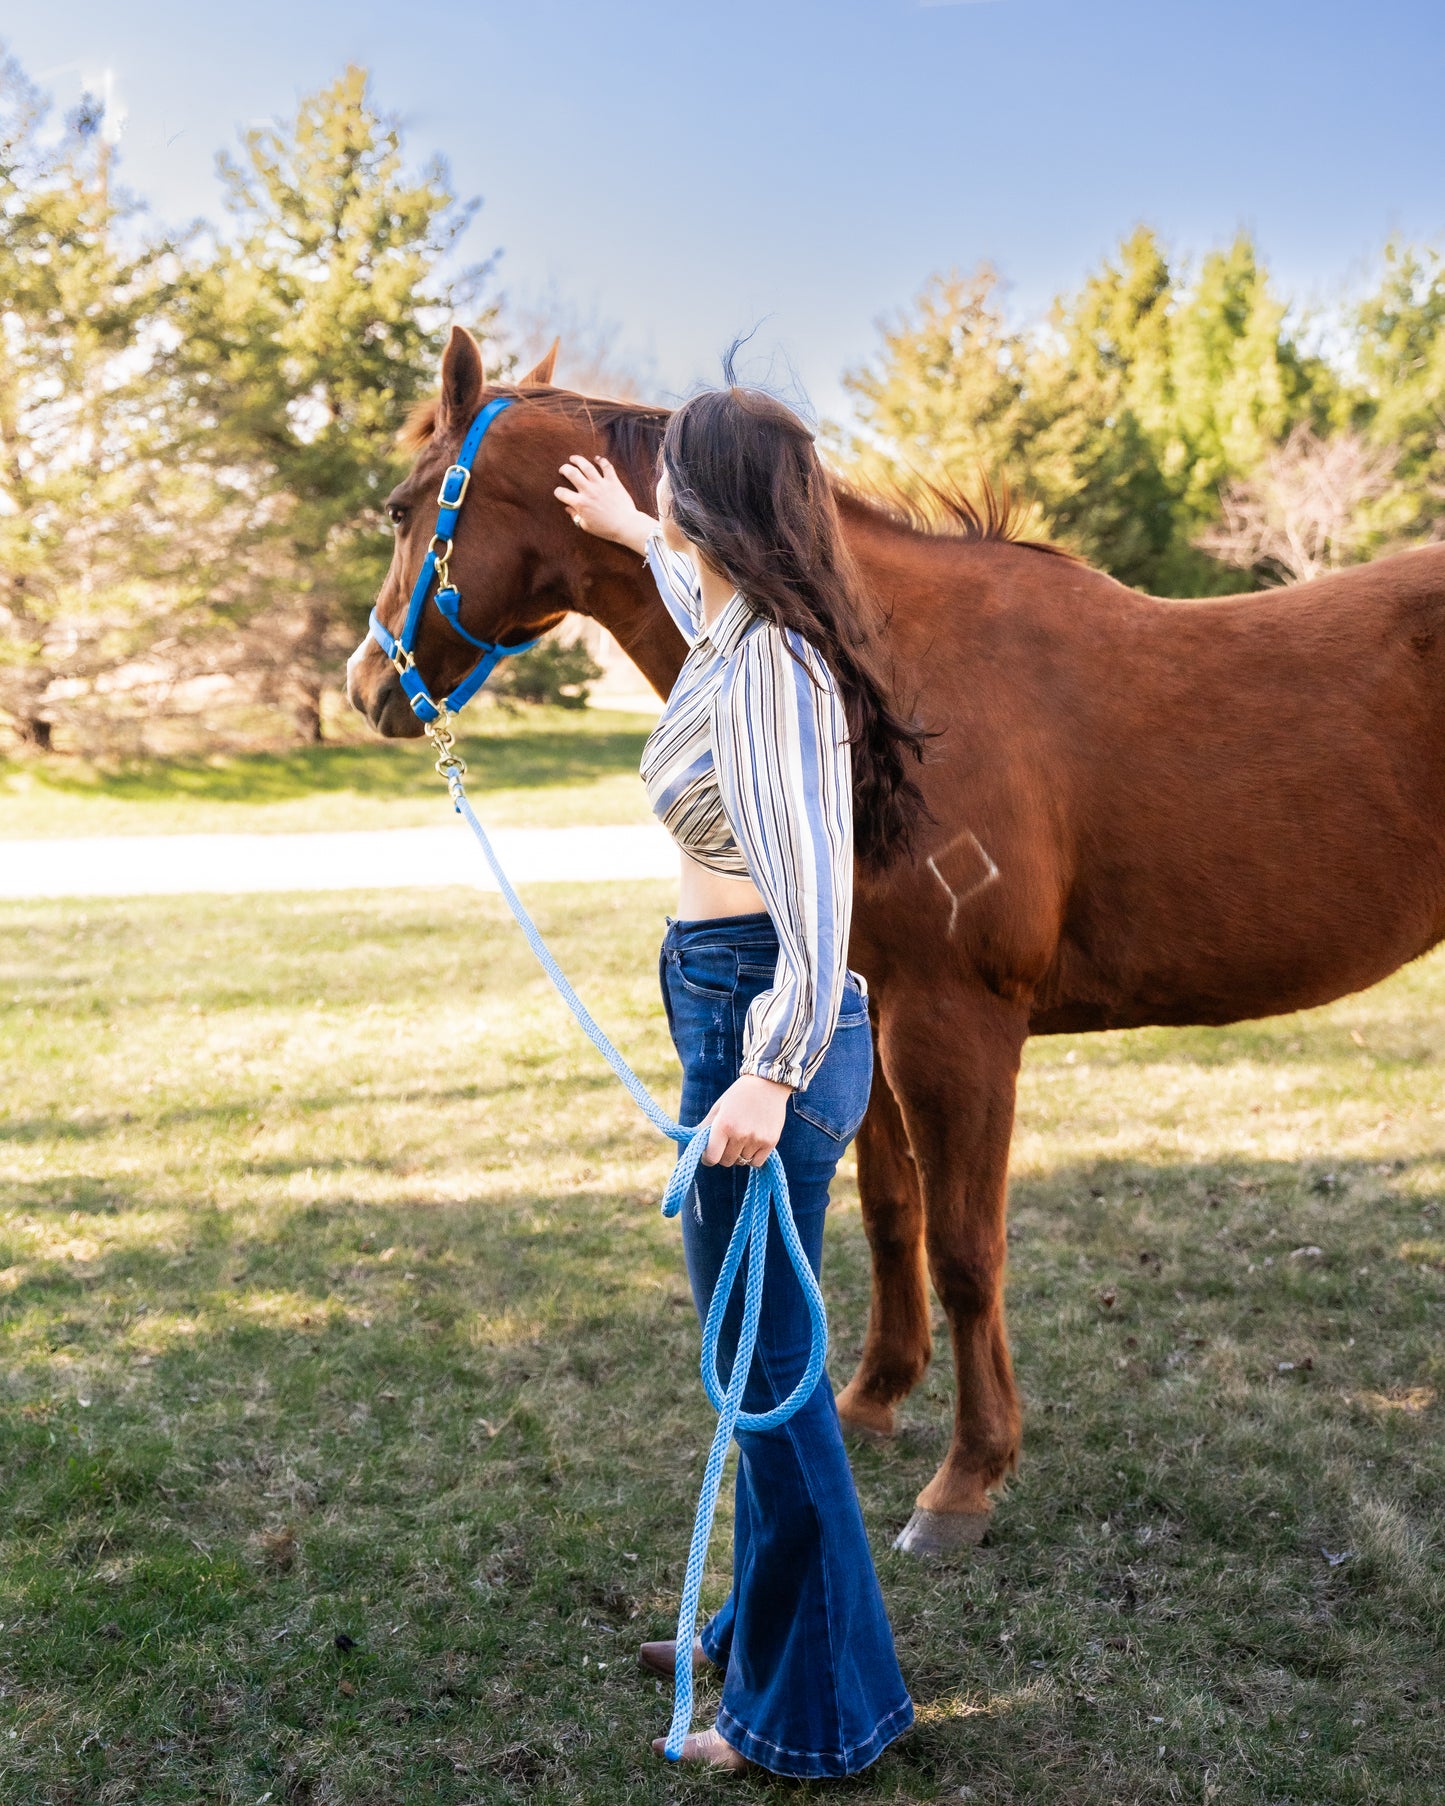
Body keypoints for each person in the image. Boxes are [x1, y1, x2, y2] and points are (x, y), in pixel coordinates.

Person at [554, 377, 926, 1779]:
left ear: (719, 503)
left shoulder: (770, 666)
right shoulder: (747, 629)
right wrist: (634, 532)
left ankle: (814, 1715)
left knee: (771, 1388)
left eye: (675, 487)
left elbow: (816, 885)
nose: (667, 505)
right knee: (753, 1366)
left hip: (763, 1010)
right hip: (737, 1002)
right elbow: (707, 611)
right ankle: (755, 1633)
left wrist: (765, 1070)